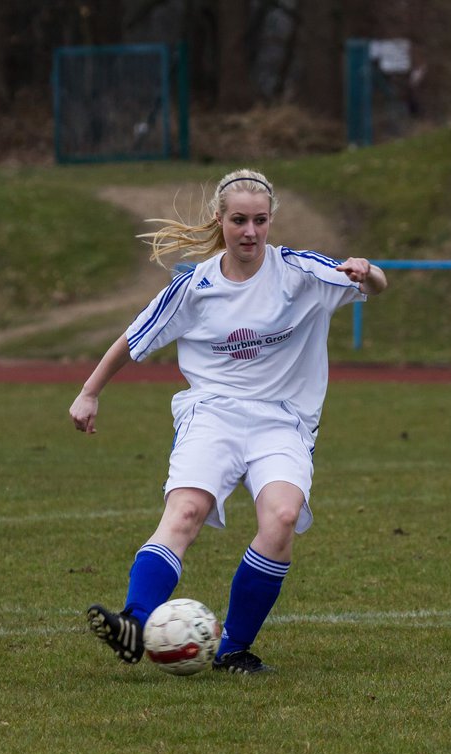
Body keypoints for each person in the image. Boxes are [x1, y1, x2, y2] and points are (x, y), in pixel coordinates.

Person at [69, 168, 388, 674]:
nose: (250, 232)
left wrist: (365, 271)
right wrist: (89, 393)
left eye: (260, 220)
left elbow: (376, 284)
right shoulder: (194, 286)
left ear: (270, 221)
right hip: (212, 414)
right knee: (185, 513)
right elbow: (134, 339)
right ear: (220, 220)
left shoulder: (299, 271)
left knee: (281, 519)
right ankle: (134, 623)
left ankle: (233, 646)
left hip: (283, 421)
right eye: (239, 220)